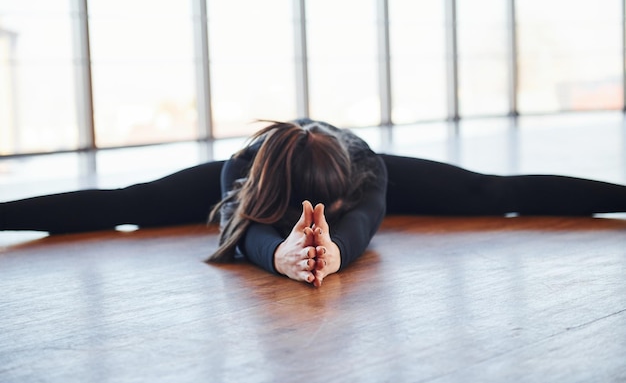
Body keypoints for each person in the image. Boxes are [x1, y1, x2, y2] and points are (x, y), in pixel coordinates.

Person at [1, 118, 626, 287]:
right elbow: (243, 231)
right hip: (267, 174)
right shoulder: (242, 170)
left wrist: (328, 252)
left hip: (341, 164)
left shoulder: (366, 172)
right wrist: (280, 258)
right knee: (131, 203)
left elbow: (361, 229)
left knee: (488, 193)